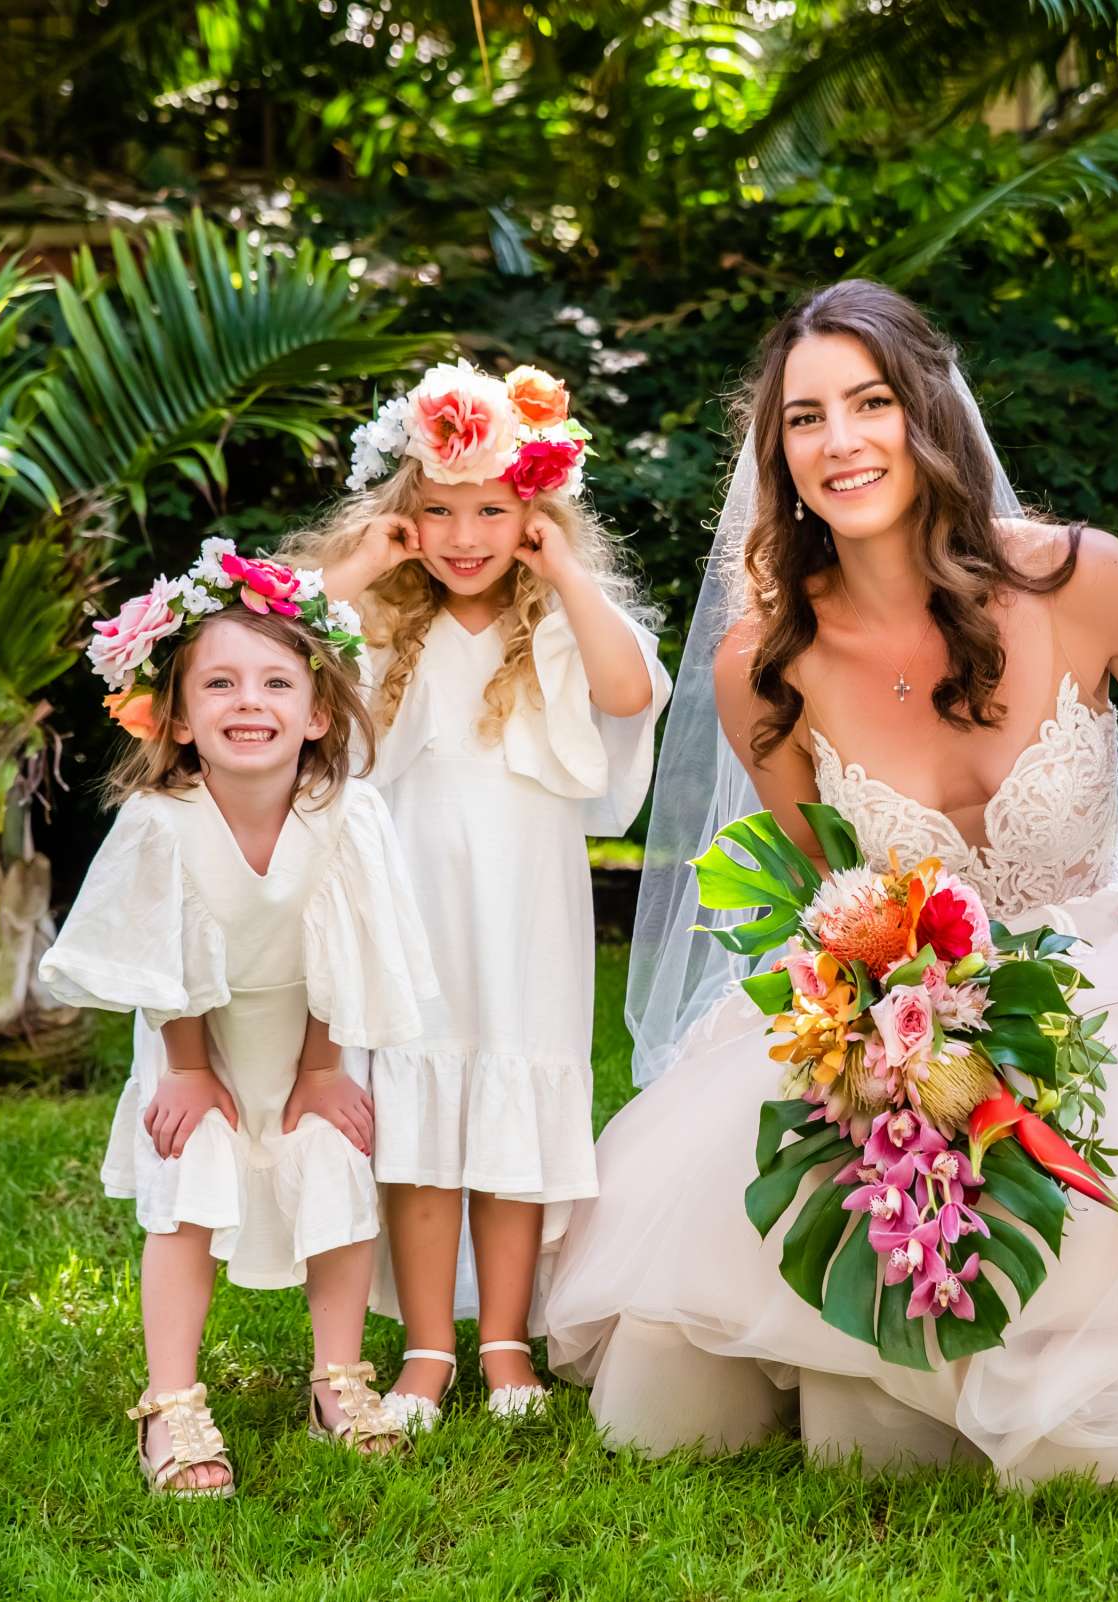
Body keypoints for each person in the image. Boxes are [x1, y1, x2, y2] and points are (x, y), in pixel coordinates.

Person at [543, 280, 1118, 1486]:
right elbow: (833, 908)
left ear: (926, 414)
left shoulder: (1082, 578)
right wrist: (890, 1063)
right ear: (777, 452)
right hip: (917, 1006)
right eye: (805, 418)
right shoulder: (761, 666)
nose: (841, 442)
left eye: (868, 403)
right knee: (691, 1397)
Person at [292, 360, 670, 1425]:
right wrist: (362, 568)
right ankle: (425, 1349)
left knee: (511, 1108)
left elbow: (629, 692)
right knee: (417, 1118)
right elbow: (272, 646)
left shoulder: (551, 625)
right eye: (438, 512)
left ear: (534, 516)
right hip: (411, 906)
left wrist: (570, 576)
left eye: (494, 511)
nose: (465, 536)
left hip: (525, 909)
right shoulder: (380, 632)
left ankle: (506, 1343)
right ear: (403, 519)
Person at [40, 545, 434, 1495]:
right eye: (217, 683)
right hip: (194, 1042)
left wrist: (323, 1071)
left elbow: (350, 953)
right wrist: (184, 1070)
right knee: (188, 1190)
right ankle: (172, 1405)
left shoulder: (347, 815)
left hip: (311, 1036)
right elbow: (159, 960)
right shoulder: (159, 821)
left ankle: (338, 1381)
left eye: (274, 683)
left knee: (335, 1168)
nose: (247, 702)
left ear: (320, 710)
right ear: (175, 715)